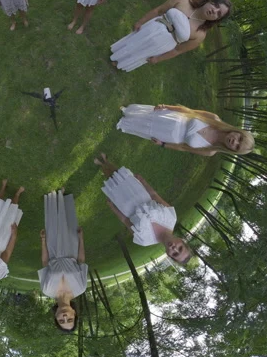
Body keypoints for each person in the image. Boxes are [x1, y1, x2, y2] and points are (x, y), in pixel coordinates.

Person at [95, 153, 192, 264]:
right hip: (140, 193)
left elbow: (126, 221)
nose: (174, 248)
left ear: (168, 254)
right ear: (181, 241)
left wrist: (113, 207)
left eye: (175, 254)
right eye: (180, 248)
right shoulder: (171, 217)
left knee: (112, 182)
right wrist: (143, 181)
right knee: (120, 176)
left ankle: (101, 166)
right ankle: (106, 161)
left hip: (125, 205)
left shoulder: (144, 240)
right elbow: (155, 196)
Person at [110, 0, 232, 71]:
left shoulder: (200, 35)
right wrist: (140, 21)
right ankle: (116, 52)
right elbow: (159, 10)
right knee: (134, 42)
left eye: (218, 13)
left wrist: (158, 59)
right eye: (215, 5)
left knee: (141, 53)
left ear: (217, 20)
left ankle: (120, 63)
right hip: (151, 28)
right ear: (209, 0)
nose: (214, 11)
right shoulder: (183, 1)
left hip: (161, 45)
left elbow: (178, 50)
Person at [116, 103, 255, 156]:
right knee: (147, 116)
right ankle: (127, 111)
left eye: (237, 147)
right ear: (238, 132)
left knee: (145, 128)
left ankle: (124, 122)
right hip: (173, 118)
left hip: (169, 136)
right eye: (240, 139)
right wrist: (167, 107)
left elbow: (184, 148)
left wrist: (163, 144)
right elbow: (190, 111)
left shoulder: (210, 151)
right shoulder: (214, 118)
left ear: (232, 151)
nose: (234, 142)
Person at [38, 189, 87, 333]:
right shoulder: (81, 287)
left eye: (61, 320)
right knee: (69, 222)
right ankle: (64, 197)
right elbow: (81, 260)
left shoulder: (46, 290)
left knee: (53, 225)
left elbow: (45, 263)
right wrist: (81, 238)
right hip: (71, 247)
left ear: (55, 316)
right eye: (69, 319)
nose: (65, 316)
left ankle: (52, 198)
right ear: (74, 314)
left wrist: (43, 241)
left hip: (53, 249)